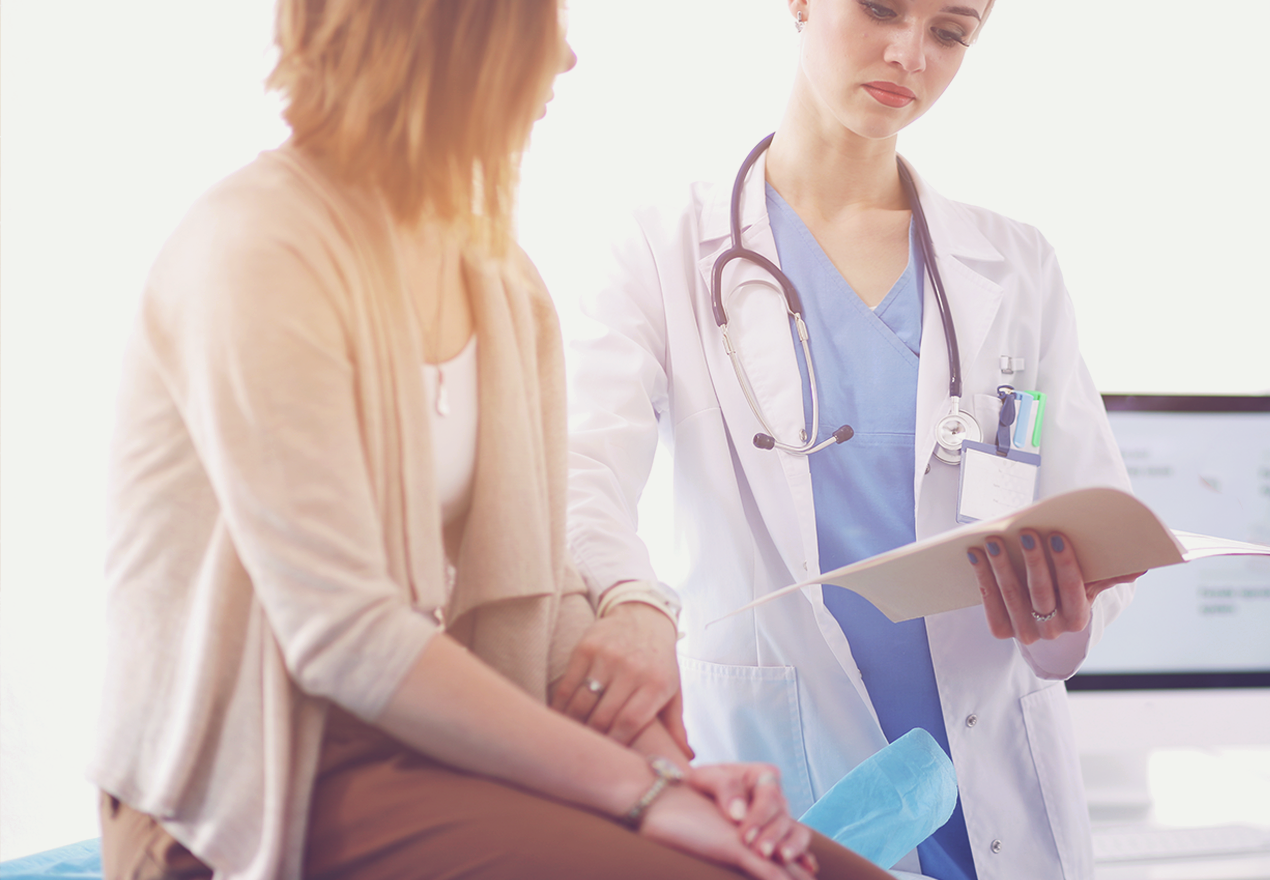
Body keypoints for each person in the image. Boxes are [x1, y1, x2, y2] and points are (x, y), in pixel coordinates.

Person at [88, 2, 896, 879]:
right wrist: (645, 796)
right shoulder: (257, 249)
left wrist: (676, 772)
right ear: (440, 33)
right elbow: (346, 634)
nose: (568, 57)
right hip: (258, 785)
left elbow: (534, 587)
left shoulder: (502, 281)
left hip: (435, 753)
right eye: (539, 25)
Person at [563, 1, 1143, 878]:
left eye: (951, 32)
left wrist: (1065, 628)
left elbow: (1096, 515)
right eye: (881, 8)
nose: (909, 53)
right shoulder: (661, 246)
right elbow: (576, 468)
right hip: (791, 779)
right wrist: (630, 600)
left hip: (994, 800)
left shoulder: (1015, 265)